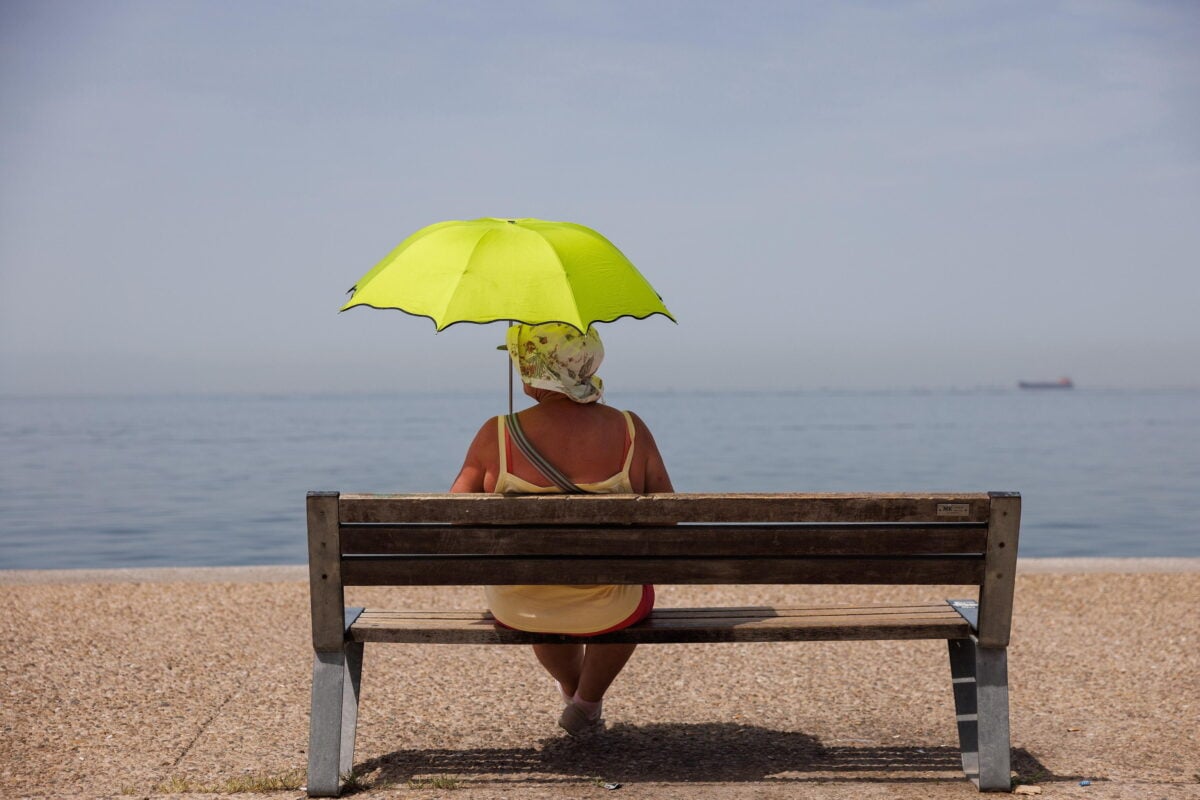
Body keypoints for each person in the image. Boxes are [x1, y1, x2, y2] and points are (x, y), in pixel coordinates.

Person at [450, 322, 674, 736]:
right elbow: (667, 512)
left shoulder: (496, 433)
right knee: (630, 592)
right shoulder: (629, 429)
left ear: (534, 368)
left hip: (522, 602)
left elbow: (456, 514)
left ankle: (576, 694)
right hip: (613, 604)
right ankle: (586, 701)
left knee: (539, 584)